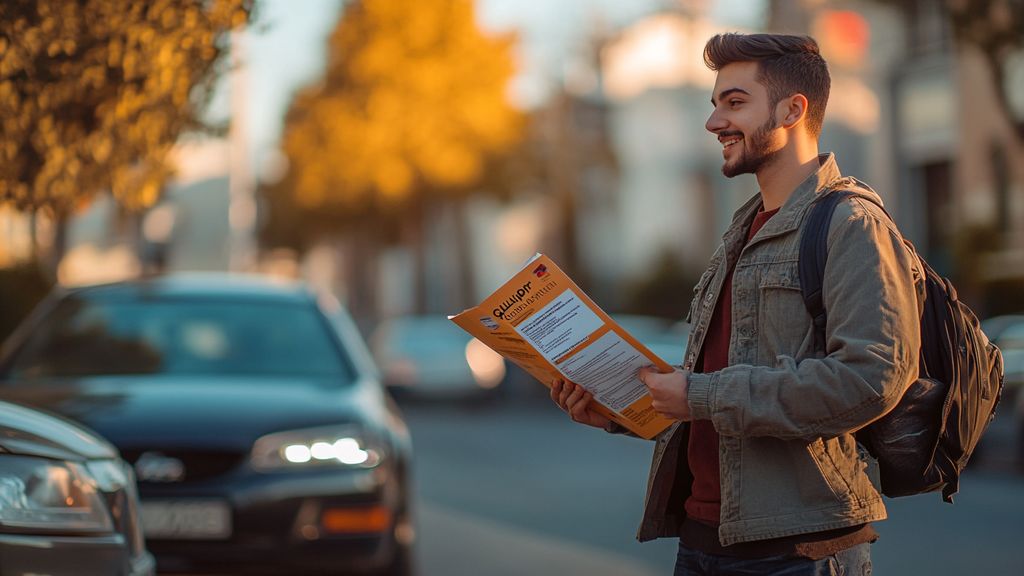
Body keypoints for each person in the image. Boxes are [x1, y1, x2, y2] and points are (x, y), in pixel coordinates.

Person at [550, 32, 923, 575]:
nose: (714, 122)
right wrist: (618, 410)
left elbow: (872, 378)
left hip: (798, 551)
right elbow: (715, 390)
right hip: (703, 542)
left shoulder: (851, 224)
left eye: (735, 102)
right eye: (715, 104)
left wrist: (699, 393)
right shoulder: (742, 230)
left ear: (793, 110)